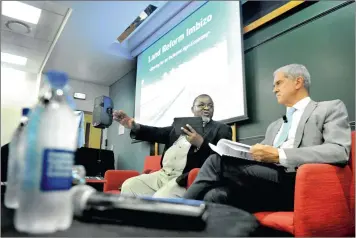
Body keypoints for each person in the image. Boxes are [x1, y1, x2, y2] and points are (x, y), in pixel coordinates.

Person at [184, 64, 351, 212]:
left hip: (297, 181)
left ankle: (172, 215)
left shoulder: (328, 108)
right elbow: (262, 154)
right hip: (268, 184)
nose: (274, 90)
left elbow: (339, 150)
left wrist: (280, 155)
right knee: (215, 196)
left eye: (278, 83)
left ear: (298, 82)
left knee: (216, 162)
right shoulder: (276, 125)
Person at [113, 94, 232, 198]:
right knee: (129, 186)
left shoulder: (221, 129)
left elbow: (221, 160)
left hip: (185, 179)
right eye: (201, 105)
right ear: (192, 109)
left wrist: (201, 143)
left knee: (161, 198)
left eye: (210, 105)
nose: (207, 108)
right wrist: (135, 127)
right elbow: (156, 132)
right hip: (162, 175)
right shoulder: (178, 125)